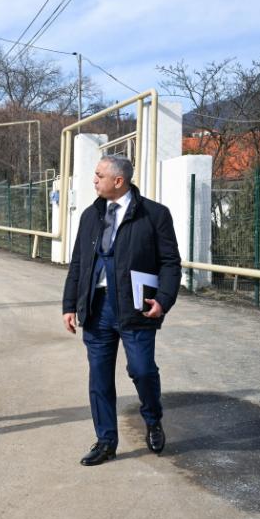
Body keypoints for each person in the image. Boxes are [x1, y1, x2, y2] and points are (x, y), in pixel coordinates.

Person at [62, 155, 181, 465]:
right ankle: (106, 441)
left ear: (119, 181)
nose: (94, 180)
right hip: (97, 306)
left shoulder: (154, 215)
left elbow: (170, 262)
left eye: (99, 175)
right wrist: (69, 304)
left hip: (135, 307)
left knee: (141, 370)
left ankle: (152, 418)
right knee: (99, 378)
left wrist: (164, 299)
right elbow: (79, 262)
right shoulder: (91, 215)